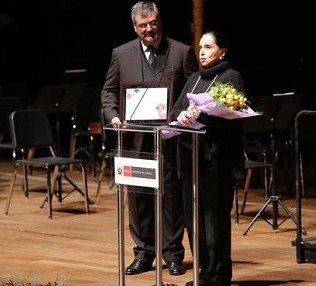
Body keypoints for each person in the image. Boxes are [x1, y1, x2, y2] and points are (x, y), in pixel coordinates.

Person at [100, 1, 198, 276]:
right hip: (134, 141)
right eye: (143, 25)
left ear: (160, 22)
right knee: (139, 199)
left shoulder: (181, 52)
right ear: (135, 27)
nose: (149, 29)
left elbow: (193, 91)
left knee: (171, 200)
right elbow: (108, 92)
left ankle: (173, 255)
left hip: (169, 140)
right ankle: (143, 254)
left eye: (153, 23)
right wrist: (114, 117)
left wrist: (185, 116)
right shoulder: (121, 54)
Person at [170, 30, 245, 286]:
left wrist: (203, 117)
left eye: (208, 47)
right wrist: (181, 116)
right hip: (190, 159)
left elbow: (234, 120)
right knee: (194, 222)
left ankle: (219, 276)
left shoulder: (231, 77)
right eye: (200, 47)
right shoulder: (193, 78)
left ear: (221, 51)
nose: (201, 51)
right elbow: (176, 108)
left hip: (216, 162)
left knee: (215, 223)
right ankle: (202, 274)